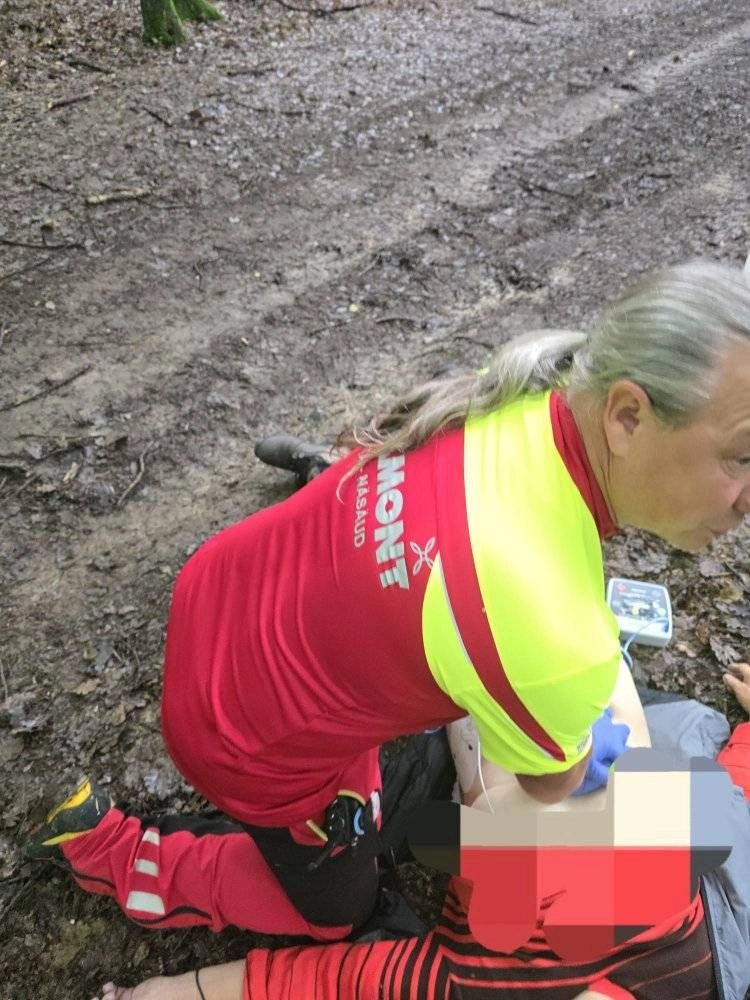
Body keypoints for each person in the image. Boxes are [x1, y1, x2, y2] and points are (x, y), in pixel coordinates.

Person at [29, 260, 750, 943]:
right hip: (238, 731)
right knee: (338, 912)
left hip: (227, 584)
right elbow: (544, 787)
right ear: (627, 416)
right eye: (742, 455)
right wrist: (581, 748)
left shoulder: (529, 388)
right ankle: (123, 855)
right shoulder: (560, 636)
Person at [89, 663, 750, 1000]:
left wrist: (173, 991)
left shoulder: (475, 977)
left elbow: (322, 982)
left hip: (687, 894)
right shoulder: (669, 836)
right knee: (640, 734)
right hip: (686, 869)